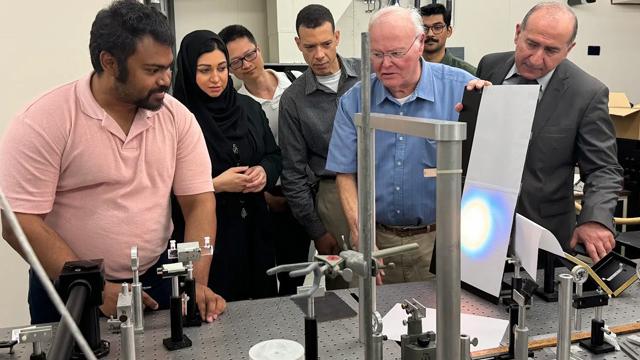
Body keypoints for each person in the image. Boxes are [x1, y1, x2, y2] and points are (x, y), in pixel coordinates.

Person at [0, 0, 225, 324]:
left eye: (168, 67)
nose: (166, 79)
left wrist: (195, 281)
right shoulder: (44, 121)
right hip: (68, 285)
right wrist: (95, 287)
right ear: (110, 62)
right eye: (152, 70)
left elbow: (199, 203)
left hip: (158, 280)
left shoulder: (176, 118)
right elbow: (18, 223)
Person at [326, 6, 475, 284]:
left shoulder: (462, 90)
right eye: (377, 54)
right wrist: (362, 233)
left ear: (420, 44)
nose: (385, 65)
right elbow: (344, 173)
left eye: (396, 54)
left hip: (442, 241)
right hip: (378, 242)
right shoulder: (356, 101)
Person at [470, 2, 623, 263]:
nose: (536, 58)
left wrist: (595, 220)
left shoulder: (586, 94)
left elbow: (603, 169)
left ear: (569, 49)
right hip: (480, 227)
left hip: (544, 239)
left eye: (551, 50)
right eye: (531, 44)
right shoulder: (490, 66)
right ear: (518, 32)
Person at [173, 30, 282, 301]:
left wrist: (264, 172)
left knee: (262, 307)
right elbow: (162, 186)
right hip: (210, 238)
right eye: (205, 70)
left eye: (222, 68)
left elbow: (273, 154)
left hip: (255, 231)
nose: (216, 79)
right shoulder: (177, 118)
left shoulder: (247, 108)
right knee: (214, 309)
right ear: (188, 71)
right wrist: (214, 185)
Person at [219, 24, 309, 295]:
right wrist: (265, 194)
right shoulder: (237, 106)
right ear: (230, 68)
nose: (246, 64)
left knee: (297, 272)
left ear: (259, 49)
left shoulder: (295, 82)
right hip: (265, 196)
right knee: (266, 269)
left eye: (250, 54)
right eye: (236, 61)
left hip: (302, 191)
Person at [279, 4, 360, 272]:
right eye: (309, 47)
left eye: (326, 44)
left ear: (337, 37)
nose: (320, 54)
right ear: (298, 44)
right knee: (347, 281)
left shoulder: (368, 76)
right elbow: (293, 173)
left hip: (380, 186)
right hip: (332, 194)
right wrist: (317, 231)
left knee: (391, 273)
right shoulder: (293, 99)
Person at [420, 3, 476, 75]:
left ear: (449, 31)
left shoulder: (468, 73)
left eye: (437, 28)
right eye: (424, 28)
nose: (430, 34)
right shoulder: (407, 70)